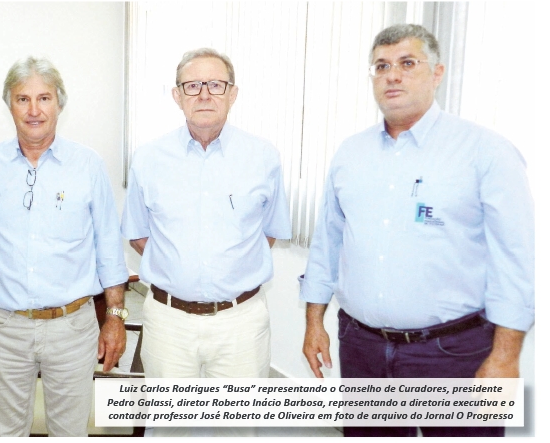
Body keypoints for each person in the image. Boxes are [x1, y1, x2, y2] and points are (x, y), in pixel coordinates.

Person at [300, 24, 534, 437]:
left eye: (408, 63)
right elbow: (328, 243)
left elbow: (516, 260)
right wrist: (314, 321)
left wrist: (506, 356)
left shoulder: (486, 151)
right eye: (381, 66)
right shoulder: (350, 154)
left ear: (437, 73)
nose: (393, 75)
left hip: (453, 353)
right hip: (363, 348)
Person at [0, 56, 129, 437]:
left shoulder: (88, 166)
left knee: (70, 433)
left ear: (59, 105)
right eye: (23, 99)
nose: (33, 110)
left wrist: (115, 317)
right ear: (10, 106)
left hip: (73, 327)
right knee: (6, 434)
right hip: (5, 328)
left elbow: (108, 249)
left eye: (44, 98)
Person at [122, 48, 291, 381]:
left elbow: (268, 233)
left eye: (215, 85)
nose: (203, 95)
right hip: (168, 322)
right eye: (192, 85)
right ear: (177, 96)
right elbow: (138, 235)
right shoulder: (148, 158)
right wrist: (180, 269)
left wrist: (228, 269)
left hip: (240, 322)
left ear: (232, 94)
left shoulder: (263, 157)